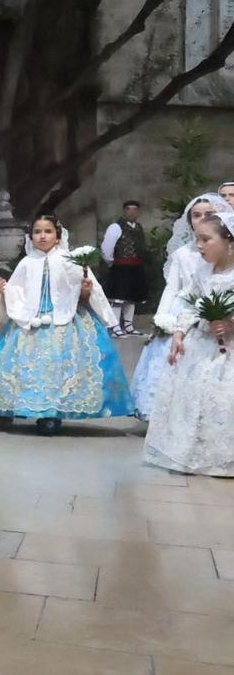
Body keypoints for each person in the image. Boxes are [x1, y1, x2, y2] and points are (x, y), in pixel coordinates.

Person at [0, 214, 133, 432]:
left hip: (67, 319)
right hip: (32, 320)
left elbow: (87, 293)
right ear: (31, 237)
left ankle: (54, 413)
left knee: (62, 365)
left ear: (58, 236)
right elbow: (19, 291)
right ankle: (31, 409)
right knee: (30, 366)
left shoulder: (70, 260)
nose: (42, 236)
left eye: (48, 231)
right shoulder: (27, 262)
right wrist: (5, 291)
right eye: (37, 231)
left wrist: (86, 291)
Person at [143, 210, 234, 477]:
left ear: (229, 241)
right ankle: (190, 453)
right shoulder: (202, 270)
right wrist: (180, 333)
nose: (199, 245)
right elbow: (190, 304)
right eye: (197, 239)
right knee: (193, 395)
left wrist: (230, 322)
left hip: (228, 349)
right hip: (201, 343)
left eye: (206, 239)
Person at [134, 193, 223, 419]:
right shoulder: (182, 254)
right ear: (189, 220)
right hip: (183, 310)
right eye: (196, 215)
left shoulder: (223, 254)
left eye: (209, 214)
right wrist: (162, 316)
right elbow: (172, 288)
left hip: (216, 313)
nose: (202, 219)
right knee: (171, 360)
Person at [100, 200, 149, 336]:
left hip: (136, 267)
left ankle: (128, 326)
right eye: (129, 209)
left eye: (135, 210)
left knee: (132, 298)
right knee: (118, 299)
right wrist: (112, 262)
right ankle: (115, 327)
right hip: (121, 267)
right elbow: (106, 248)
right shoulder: (115, 227)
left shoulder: (138, 227)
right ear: (124, 211)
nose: (132, 212)